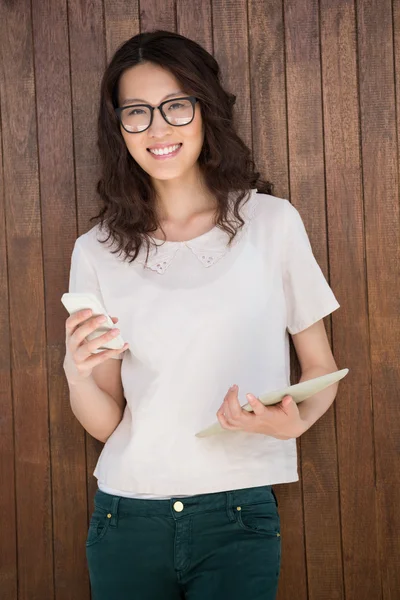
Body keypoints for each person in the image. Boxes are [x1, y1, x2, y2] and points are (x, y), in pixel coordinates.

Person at [63, 30, 341, 600]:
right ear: (119, 129)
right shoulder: (96, 251)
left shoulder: (272, 223)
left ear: (205, 111)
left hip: (239, 516)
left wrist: (294, 423)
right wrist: (75, 373)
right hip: (126, 516)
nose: (158, 129)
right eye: (137, 113)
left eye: (175, 107)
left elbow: (321, 370)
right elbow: (108, 422)